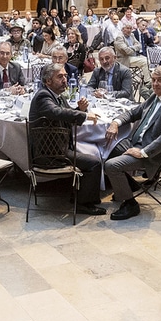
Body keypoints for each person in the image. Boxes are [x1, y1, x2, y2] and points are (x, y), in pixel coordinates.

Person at [102, 65, 161, 220]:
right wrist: (115, 123)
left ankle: (130, 203)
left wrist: (143, 152)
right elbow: (133, 113)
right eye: (153, 80)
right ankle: (129, 186)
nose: (155, 84)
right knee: (106, 149)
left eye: (160, 80)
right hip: (136, 143)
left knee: (111, 166)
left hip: (151, 153)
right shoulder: (156, 96)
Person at [28, 63, 105, 215]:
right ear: (48, 81)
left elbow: (65, 113)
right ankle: (83, 204)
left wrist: (79, 110)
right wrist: (83, 115)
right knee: (95, 163)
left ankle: (81, 196)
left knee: (92, 155)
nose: (65, 79)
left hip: (58, 148)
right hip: (49, 154)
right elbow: (55, 112)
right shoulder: (43, 96)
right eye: (60, 76)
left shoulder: (57, 96)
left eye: (65, 76)